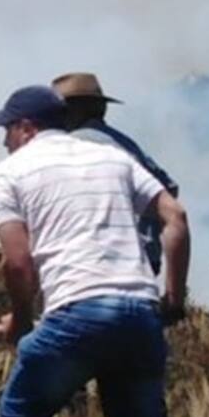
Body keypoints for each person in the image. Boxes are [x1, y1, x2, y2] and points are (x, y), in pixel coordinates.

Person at [0, 85, 209, 417]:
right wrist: (173, 297)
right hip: (138, 315)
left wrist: (20, 320)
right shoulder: (113, 158)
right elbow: (176, 217)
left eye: (7, 131)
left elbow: (17, 262)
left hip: (75, 315)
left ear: (26, 128)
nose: (4, 141)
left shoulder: (11, 172)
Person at [51, 72, 178, 275]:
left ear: (71, 110)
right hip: (144, 259)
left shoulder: (75, 145)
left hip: (101, 260)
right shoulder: (125, 143)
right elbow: (169, 188)